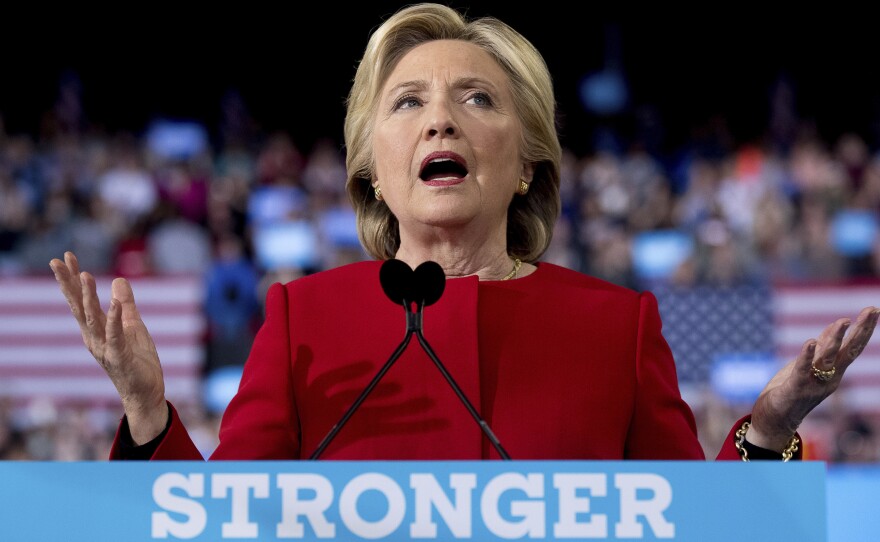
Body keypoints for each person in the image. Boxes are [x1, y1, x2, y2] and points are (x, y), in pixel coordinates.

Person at [49, 3, 877, 461]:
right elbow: (219, 528)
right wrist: (148, 410)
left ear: (525, 163)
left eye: (477, 98)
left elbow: (690, 531)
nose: (439, 117)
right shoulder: (303, 319)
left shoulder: (616, 326)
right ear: (372, 166)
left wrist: (767, 430)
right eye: (407, 102)